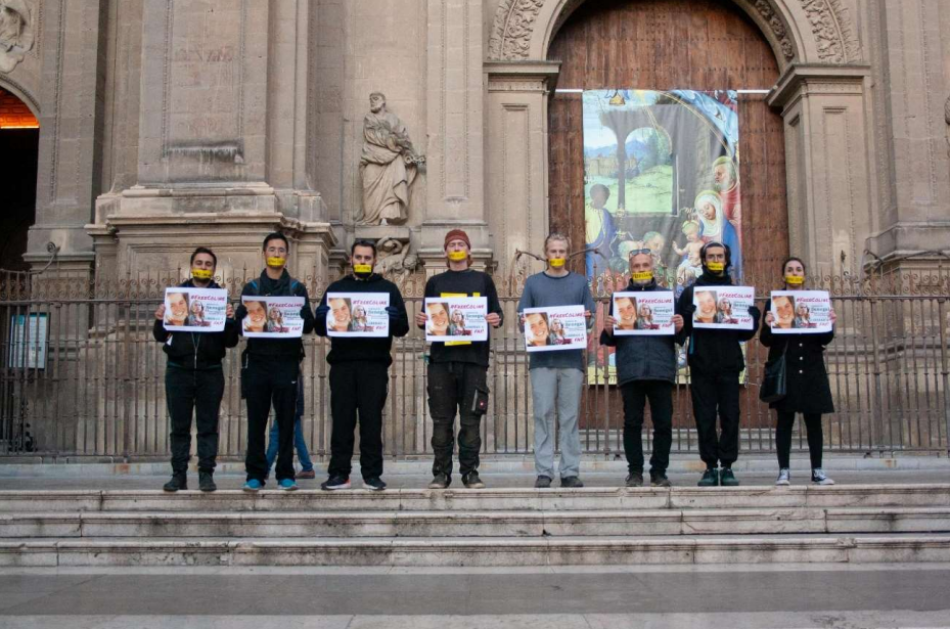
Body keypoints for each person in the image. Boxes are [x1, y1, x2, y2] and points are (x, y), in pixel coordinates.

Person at [315, 240, 409, 491]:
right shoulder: (337, 288)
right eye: (359, 258)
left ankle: (372, 474)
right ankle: (339, 473)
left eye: (368, 258)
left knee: (371, 422)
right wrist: (322, 317)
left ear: (375, 260)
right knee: (342, 421)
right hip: (343, 365)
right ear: (351, 259)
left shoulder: (388, 289)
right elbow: (320, 327)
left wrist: (394, 318)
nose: (363, 262)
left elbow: (403, 328)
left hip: (374, 365)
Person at [416, 229, 503, 489]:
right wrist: (422, 321)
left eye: (460, 244)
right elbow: (427, 319)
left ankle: (470, 473)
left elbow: (497, 313)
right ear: (445, 251)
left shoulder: (483, 280)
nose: (456, 248)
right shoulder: (435, 283)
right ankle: (441, 473)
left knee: (470, 421)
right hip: (441, 360)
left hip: (474, 360)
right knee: (441, 421)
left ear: (468, 250)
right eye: (451, 244)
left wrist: (495, 318)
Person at [153, 247, 238, 492]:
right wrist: (160, 318)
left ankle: (206, 474)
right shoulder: (177, 297)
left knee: (208, 425)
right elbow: (160, 335)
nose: (203, 266)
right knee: (179, 426)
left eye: (208, 264)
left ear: (214, 269)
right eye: (199, 262)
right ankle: (178, 474)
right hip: (178, 369)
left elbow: (230, 341)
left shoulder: (220, 298)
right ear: (191, 265)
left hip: (210, 370)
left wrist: (229, 320)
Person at [235, 233, 315, 492]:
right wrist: (242, 315)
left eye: (281, 250)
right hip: (258, 362)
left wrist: (302, 313)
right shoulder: (252, 289)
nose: (277, 254)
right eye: (272, 249)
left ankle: (285, 474)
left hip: (287, 362)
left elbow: (310, 324)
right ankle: (255, 475)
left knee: (286, 420)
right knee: (256, 422)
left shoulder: (296, 288)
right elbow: (238, 326)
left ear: (287, 255)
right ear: (264, 253)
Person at [677, 242, 760, 487]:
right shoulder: (690, 293)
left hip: (729, 363)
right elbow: (680, 332)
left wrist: (752, 319)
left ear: (726, 259)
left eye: (719, 256)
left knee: (730, 416)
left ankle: (728, 465)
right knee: (704, 416)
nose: (715, 259)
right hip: (702, 362)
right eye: (711, 256)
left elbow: (743, 334)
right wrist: (688, 317)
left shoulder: (736, 293)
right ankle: (710, 466)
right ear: (703, 260)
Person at [601, 250, 685, 487]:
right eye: (637, 266)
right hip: (631, 368)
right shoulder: (620, 299)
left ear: (653, 266)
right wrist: (608, 328)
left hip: (661, 368)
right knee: (632, 423)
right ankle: (635, 471)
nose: (641, 269)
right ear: (631, 269)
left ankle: (659, 471)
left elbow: (679, 338)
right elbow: (609, 339)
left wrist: (680, 327)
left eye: (645, 265)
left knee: (663, 423)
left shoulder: (667, 297)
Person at [517, 232, 594, 488]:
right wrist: (523, 322)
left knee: (570, 417)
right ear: (546, 253)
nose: (558, 256)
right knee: (543, 414)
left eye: (562, 251)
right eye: (553, 251)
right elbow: (522, 320)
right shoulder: (533, 283)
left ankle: (570, 471)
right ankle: (544, 471)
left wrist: (586, 317)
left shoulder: (580, 283)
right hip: (542, 361)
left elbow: (590, 319)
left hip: (572, 361)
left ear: (567, 254)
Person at [762, 257, 836, 486]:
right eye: (790, 270)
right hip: (788, 367)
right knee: (785, 420)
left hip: (811, 365)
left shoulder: (816, 300)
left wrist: (831, 323)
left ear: (804, 274)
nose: (794, 272)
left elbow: (824, 338)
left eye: (798, 269)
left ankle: (817, 470)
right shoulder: (774, 301)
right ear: (783, 275)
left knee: (814, 420)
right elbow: (766, 341)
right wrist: (768, 323)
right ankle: (783, 470)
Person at [266, 378, 316, 480]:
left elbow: (293, 392)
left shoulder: (290, 368)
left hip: (288, 409)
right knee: (298, 440)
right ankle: (307, 468)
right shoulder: (294, 368)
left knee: (275, 437)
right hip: (291, 409)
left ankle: (264, 469)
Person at [585, 183, 616, 278]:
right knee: (591, 277)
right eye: (600, 196)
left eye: (604, 198)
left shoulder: (606, 213)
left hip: (604, 252)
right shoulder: (585, 211)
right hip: (589, 252)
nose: (602, 200)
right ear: (593, 196)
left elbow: (612, 231)